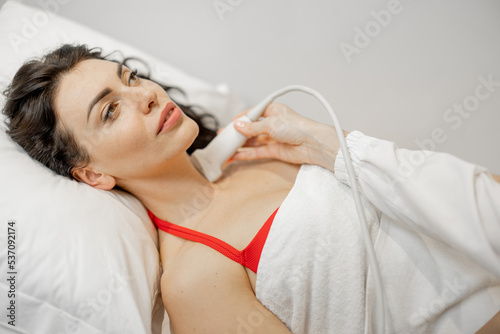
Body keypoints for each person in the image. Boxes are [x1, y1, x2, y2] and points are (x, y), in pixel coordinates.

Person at [2, 43, 499, 334]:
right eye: (110, 110)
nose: (146, 96)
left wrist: (330, 143)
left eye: (130, 78)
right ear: (92, 174)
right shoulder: (193, 280)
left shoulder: (265, 153)